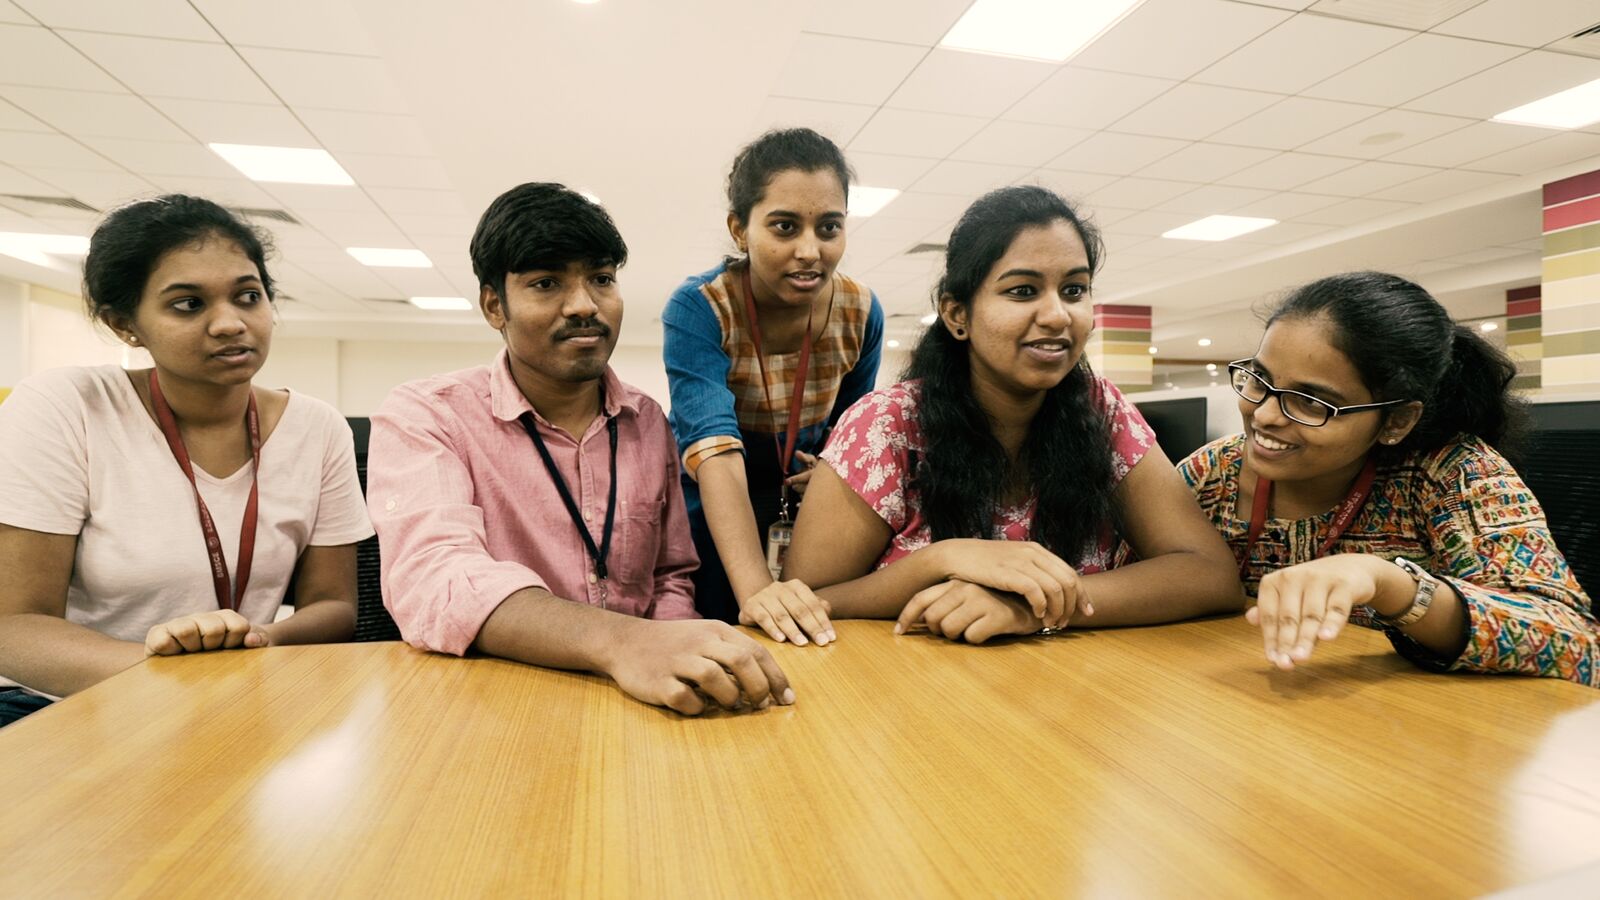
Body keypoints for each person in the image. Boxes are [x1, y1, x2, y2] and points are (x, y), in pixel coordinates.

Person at [368, 183, 793, 716]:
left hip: (641, 700)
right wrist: (623, 644)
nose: (585, 305)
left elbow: (669, 577)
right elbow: (437, 579)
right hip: (495, 706)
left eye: (602, 279)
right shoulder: (428, 416)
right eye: (547, 283)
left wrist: (682, 659)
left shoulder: (648, 422)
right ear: (494, 304)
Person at [783, 185, 1241, 642]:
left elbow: (1210, 575)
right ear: (957, 314)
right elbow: (804, 601)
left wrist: (1036, 606)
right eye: (1023, 291)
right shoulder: (887, 423)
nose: (1058, 315)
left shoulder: (1102, 411)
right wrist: (942, 559)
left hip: (1077, 695)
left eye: (1074, 290)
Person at [0, 195, 372, 726]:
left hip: (229, 706)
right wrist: (177, 678)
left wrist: (257, 640)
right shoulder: (67, 406)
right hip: (59, 706)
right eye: (188, 304)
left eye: (248, 296)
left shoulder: (318, 427)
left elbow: (334, 608)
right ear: (125, 325)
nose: (229, 323)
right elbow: (13, 625)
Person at [1180, 271, 1597, 685]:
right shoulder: (1217, 470)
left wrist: (1390, 585)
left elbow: (1576, 642)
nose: (1266, 415)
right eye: (1260, 380)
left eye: (1311, 403)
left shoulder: (1450, 474)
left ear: (1397, 420)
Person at [664, 128, 885, 647]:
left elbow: (854, 431)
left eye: (829, 227)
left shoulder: (862, 310)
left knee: (821, 632)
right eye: (784, 227)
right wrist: (758, 591)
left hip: (803, 494)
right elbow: (713, 448)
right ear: (740, 230)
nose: (810, 250)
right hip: (719, 495)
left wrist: (832, 472)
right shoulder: (699, 307)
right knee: (726, 626)